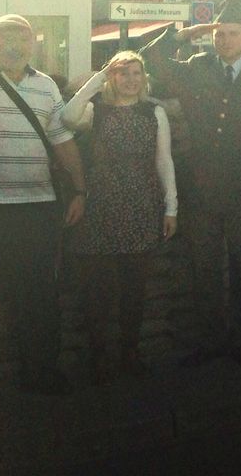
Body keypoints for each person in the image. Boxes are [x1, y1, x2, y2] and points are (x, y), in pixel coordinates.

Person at [140, 0, 241, 367]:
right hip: (202, 186)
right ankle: (209, 340)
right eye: (219, 33)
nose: (223, 40)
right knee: (203, 268)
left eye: (232, 34)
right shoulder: (197, 66)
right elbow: (150, 60)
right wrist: (185, 34)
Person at [0, 16, 87, 410]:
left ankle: (40, 374)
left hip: (36, 208)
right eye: (7, 36)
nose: (17, 45)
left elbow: (62, 141)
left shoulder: (46, 86)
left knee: (38, 296)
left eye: (24, 38)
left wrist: (79, 189)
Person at [60, 52, 178, 382]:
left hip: (141, 203)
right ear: (113, 77)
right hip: (100, 205)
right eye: (122, 73)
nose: (130, 79)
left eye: (135, 73)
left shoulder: (153, 111)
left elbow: (164, 161)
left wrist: (171, 208)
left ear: (144, 77)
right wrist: (97, 77)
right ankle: (98, 357)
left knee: (133, 287)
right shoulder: (96, 110)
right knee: (97, 288)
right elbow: (67, 117)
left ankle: (130, 353)